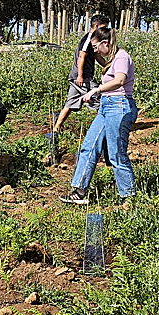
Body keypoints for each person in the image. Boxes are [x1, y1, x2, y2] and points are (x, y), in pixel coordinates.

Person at [62, 26, 138, 205]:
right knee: (88, 147)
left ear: (105, 43)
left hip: (119, 107)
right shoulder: (111, 60)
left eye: (96, 47)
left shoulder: (122, 57)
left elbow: (119, 80)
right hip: (106, 107)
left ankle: (128, 198)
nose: (95, 51)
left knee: (116, 153)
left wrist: (96, 90)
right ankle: (79, 191)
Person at [53, 13, 111, 133]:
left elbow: (97, 57)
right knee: (98, 100)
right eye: (103, 27)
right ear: (96, 26)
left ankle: (56, 128)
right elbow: (81, 56)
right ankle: (105, 127)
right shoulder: (88, 40)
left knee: (70, 103)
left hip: (76, 77)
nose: (104, 31)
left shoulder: (93, 40)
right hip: (84, 78)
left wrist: (108, 66)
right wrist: (80, 76)